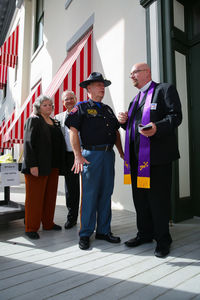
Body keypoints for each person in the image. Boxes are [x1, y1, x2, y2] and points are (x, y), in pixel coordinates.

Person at [118, 63, 182, 258]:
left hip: (158, 159)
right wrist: (123, 123)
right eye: (130, 74)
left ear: (147, 73)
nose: (132, 77)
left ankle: (163, 240)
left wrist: (158, 126)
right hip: (137, 161)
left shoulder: (164, 90)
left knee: (158, 200)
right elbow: (135, 129)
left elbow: (175, 116)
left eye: (135, 72)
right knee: (141, 200)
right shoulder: (135, 100)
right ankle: (144, 234)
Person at [65, 72, 124, 250]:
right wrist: (78, 155)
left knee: (106, 193)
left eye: (103, 85)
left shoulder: (107, 109)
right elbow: (73, 131)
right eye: (98, 85)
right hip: (90, 155)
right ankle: (85, 233)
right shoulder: (81, 107)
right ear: (88, 88)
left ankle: (103, 231)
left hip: (108, 155)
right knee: (90, 195)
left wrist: (121, 152)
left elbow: (115, 132)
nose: (102, 88)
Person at [21, 95, 67, 239]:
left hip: (52, 166)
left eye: (51, 105)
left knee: (50, 197)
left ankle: (48, 223)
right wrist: (32, 165)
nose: (49, 107)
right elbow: (28, 144)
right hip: (37, 167)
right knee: (34, 199)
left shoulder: (54, 122)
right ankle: (31, 227)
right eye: (45, 105)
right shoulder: (33, 120)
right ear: (38, 107)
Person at [54, 90, 80, 229]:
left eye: (71, 98)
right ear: (63, 102)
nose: (69, 101)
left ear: (76, 99)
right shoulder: (58, 118)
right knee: (71, 189)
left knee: (89, 188)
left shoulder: (83, 114)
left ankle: (89, 218)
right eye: (66, 99)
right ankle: (72, 218)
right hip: (69, 157)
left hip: (85, 154)